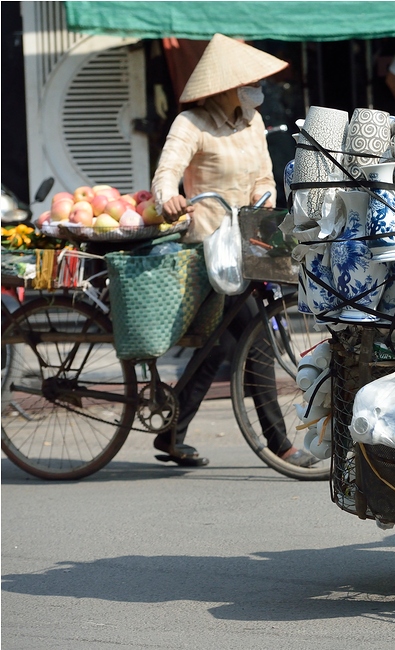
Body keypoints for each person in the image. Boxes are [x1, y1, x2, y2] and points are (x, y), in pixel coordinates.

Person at [151, 33, 317, 469]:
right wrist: (168, 198)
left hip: (251, 242)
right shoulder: (192, 124)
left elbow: (263, 175)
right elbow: (166, 172)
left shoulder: (253, 121)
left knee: (224, 345)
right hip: (210, 249)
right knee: (254, 335)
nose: (256, 89)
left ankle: (172, 432)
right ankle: (279, 443)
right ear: (225, 86)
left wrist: (264, 196)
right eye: (248, 82)